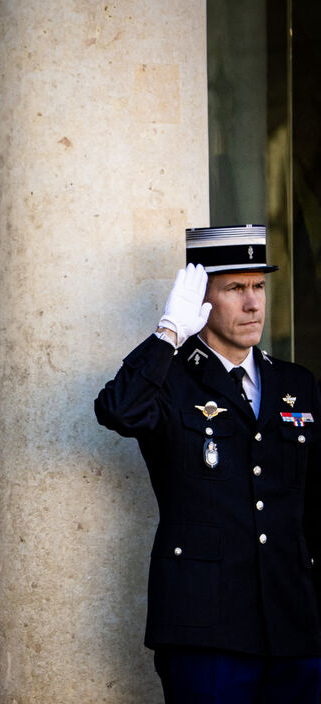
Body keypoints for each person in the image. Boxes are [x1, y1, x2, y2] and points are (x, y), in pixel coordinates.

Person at [95, 225, 321, 703]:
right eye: (235, 288)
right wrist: (170, 331)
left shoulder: (297, 384)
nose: (253, 303)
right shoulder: (171, 381)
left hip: (294, 621)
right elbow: (118, 409)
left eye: (259, 286)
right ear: (202, 298)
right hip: (206, 625)